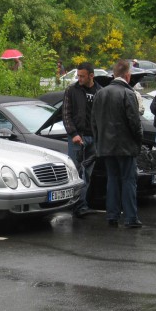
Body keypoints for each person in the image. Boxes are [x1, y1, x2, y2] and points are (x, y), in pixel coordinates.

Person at [91, 59, 143, 228]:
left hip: (106, 145)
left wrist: (99, 141)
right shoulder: (128, 94)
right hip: (125, 146)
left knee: (112, 180)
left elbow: (94, 121)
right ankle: (130, 218)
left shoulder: (100, 93)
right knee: (128, 181)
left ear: (114, 74)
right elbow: (135, 123)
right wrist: (138, 141)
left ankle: (112, 215)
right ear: (128, 76)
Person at [62, 62, 102, 218]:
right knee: (77, 173)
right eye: (78, 76)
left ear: (91, 76)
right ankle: (78, 206)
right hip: (78, 137)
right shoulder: (72, 90)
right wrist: (73, 134)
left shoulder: (100, 91)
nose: (79, 79)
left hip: (94, 137)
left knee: (89, 173)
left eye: (82, 76)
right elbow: (66, 115)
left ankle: (83, 204)